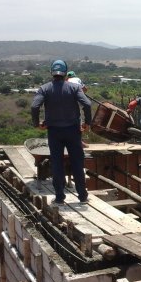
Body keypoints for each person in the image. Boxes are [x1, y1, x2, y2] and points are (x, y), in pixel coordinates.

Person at [31, 59, 92, 204]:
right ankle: (82, 196)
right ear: (65, 73)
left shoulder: (45, 88)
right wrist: (87, 123)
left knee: (57, 163)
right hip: (73, 131)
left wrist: (37, 124)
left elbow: (34, 106)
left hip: (54, 132)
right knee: (77, 162)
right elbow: (87, 104)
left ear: (52, 72)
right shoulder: (74, 88)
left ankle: (59, 197)